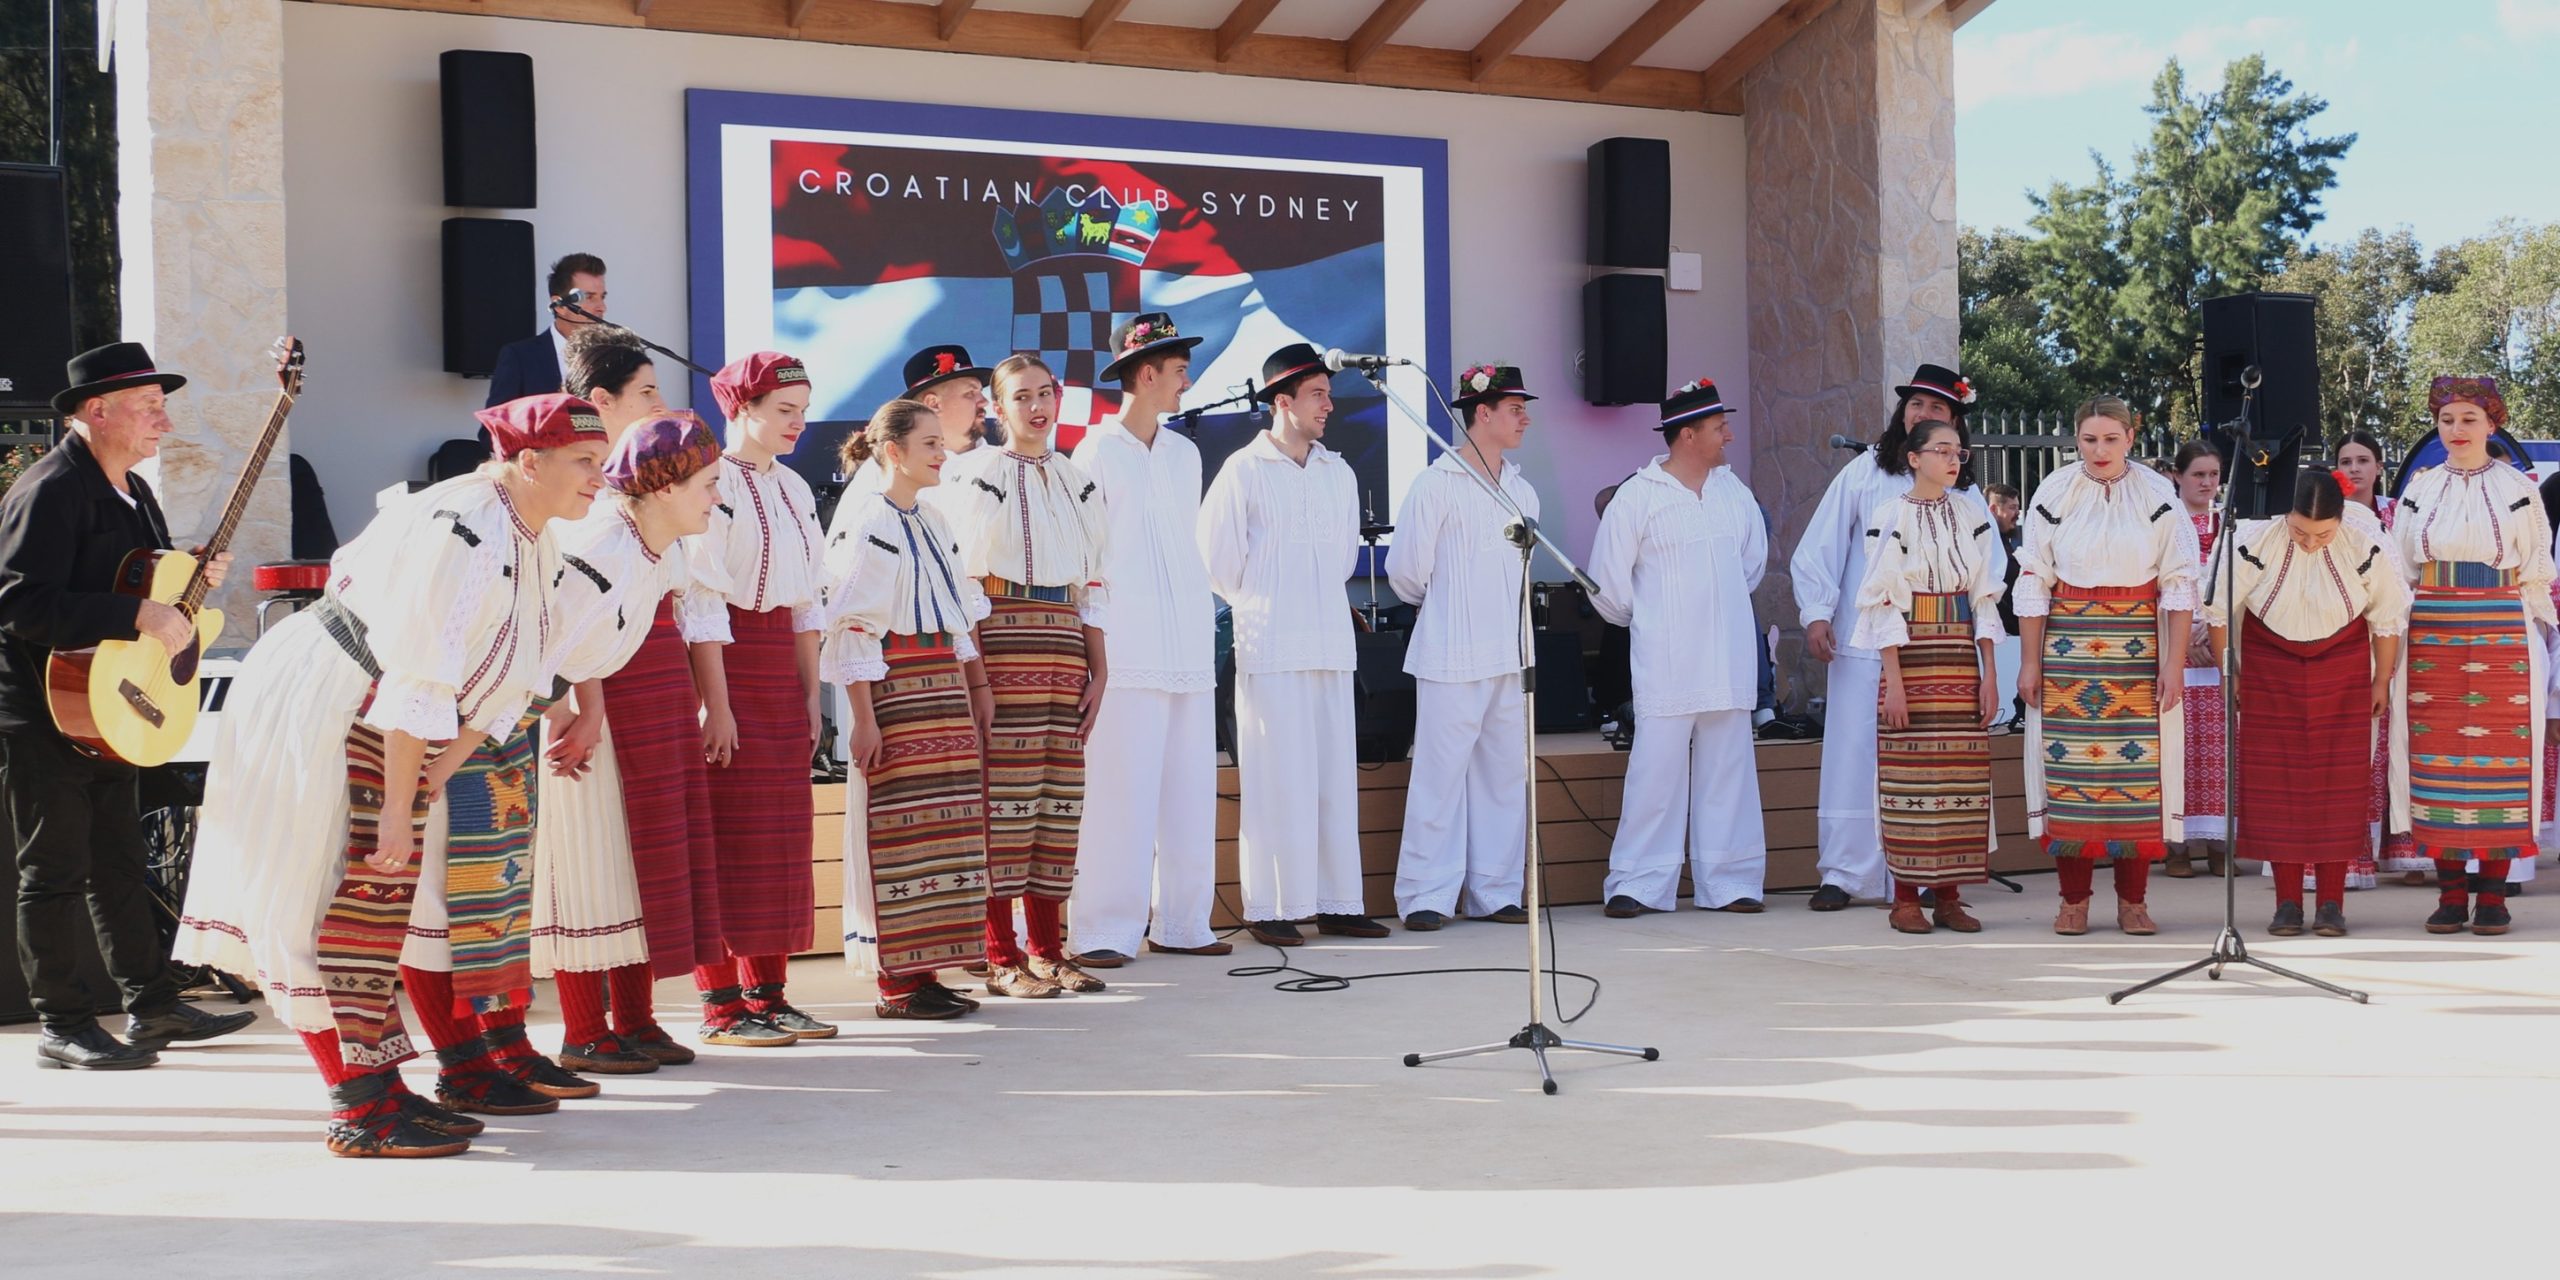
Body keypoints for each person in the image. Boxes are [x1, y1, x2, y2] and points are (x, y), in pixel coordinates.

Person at [174, 393, 607, 1156]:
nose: (599, 479)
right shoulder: (462, 528)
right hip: (336, 692)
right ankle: (357, 1106)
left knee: (380, 897)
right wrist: (403, 805)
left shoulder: (533, 532)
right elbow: (417, 676)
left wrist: (449, 764)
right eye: (584, 463)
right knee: (332, 892)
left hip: (392, 708)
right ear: (528, 462)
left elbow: (516, 674)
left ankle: (387, 1087)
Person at [0, 342, 256, 1070]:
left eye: (162, 409)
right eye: (149, 409)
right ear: (96, 412)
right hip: (47, 711)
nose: (163, 424)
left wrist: (191, 580)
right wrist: (136, 618)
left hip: (111, 707)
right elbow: (20, 604)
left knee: (120, 860)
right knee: (51, 871)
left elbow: (138, 583)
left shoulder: (134, 492)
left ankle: (151, 1006)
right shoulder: (51, 490)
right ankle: (63, 1024)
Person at [531, 416, 726, 1073]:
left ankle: (636, 1022)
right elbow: (554, 642)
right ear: (666, 487)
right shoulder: (603, 542)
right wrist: (580, 715)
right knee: (590, 859)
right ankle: (585, 1029)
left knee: (637, 865)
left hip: (647, 704)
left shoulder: (662, 544)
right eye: (708, 484)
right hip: (594, 711)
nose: (716, 498)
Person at [1789, 364, 2001, 912]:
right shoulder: (1863, 474)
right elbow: (1820, 547)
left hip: (1940, 650)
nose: (1922, 416)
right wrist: (1816, 613)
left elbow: (1988, 573)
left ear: (1954, 422)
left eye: (1936, 410)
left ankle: (1932, 873)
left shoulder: (1969, 495)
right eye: (1915, 406)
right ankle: (1845, 872)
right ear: (1901, 414)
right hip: (1864, 643)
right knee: (1854, 752)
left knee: (1932, 759)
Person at [1199, 343, 1383, 947]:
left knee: (1332, 775)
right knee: (1277, 778)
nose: (1329, 405)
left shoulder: (1340, 471)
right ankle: (1273, 906)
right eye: (1318, 395)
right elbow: (1219, 563)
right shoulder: (1243, 471)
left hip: (1329, 640)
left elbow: (1342, 559)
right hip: (1270, 639)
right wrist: (1267, 601)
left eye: (1329, 393)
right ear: (1283, 400)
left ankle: (1337, 901)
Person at [943, 355, 1112, 996]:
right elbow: (963, 585)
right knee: (1003, 803)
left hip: (1063, 642)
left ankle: (1048, 948)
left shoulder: (1078, 480)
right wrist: (976, 675)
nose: (1037, 407)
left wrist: (1100, 667)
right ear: (997, 405)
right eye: (1022, 397)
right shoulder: (976, 476)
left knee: (1056, 802)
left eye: (1045, 394)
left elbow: (1091, 582)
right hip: (1004, 637)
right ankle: (1000, 953)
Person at [822, 399, 995, 1020]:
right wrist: (864, 718)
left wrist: (975, 687)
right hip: (894, 686)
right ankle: (895, 980)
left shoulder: (930, 519)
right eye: (928, 444)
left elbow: (956, 612)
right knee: (896, 828)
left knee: (942, 827)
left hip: (940, 687)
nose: (941, 453)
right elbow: (848, 625)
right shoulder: (869, 521)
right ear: (892, 451)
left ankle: (924, 969)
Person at [1067, 315, 1228, 966]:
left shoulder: (1186, 454)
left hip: (1187, 644)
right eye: (1178, 367)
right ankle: (1104, 929)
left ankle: (1186, 922)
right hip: (1126, 646)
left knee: (1191, 789)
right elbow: (1088, 558)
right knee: (1119, 793)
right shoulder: (1095, 453)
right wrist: (1095, 648)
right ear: (1147, 373)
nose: (1186, 378)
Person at [686, 352, 831, 1042]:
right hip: (728, 663)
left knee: (780, 833)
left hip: (780, 672)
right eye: (784, 411)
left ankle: (769, 994)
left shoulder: (798, 489)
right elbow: (704, 599)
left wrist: (812, 696)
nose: (798, 424)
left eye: (803, 411)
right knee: (728, 833)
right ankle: (721, 1003)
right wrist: (715, 702)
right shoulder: (712, 483)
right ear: (741, 409)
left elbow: (807, 603)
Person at [2015, 396, 2199, 937]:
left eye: (2111, 439)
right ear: (2077, 440)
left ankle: (2133, 901)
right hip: (2067, 650)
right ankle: (2073, 900)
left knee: (2136, 777)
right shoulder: (2055, 491)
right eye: (2089, 440)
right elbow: (2034, 579)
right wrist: (2030, 662)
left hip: (2139, 647)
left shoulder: (2156, 492)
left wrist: (2174, 663)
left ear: (2131, 438)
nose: (2099, 450)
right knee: (2071, 775)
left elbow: (2179, 582)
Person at [1591, 378, 1770, 917]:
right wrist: (1656, 623)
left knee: (1729, 772)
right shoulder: (1638, 497)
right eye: (1720, 428)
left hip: (1728, 658)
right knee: (1656, 774)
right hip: (1666, 663)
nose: (1730, 436)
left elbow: (1751, 568)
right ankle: (1638, 883)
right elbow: (1609, 588)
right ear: (1687, 435)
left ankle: (1732, 880)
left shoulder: (1734, 494)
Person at [2202, 469, 2408, 938]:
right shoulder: (2253, 540)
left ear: (2340, 520)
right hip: (2269, 663)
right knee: (2278, 783)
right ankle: (2288, 903)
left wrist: (2382, 680)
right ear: (2285, 515)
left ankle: (2332, 904)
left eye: (2323, 533)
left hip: (2344, 664)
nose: (2311, 542)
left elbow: (2387, 618)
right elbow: (2219, 610)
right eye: (2300, 531)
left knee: (2340, 784)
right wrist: (2228, 670)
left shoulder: (2365, 544)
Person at [2390, 377, 2552, 936]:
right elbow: (2398, 569)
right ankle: (2451, 894)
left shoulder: (2518, 487)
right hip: (2431, 626)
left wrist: (2533, 633)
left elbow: (2537, 567)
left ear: (2492, 424)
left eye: (2468, 420)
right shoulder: (2420, 486)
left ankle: (2493, 896)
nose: (2456, 430)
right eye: (2447, 420)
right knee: (2434, 762)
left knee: (2504, 762)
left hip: (2503, 626)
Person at [1388, 362, 1539, 931]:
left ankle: (1496, 890)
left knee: (1504, 775)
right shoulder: (1437, 483)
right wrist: (1453, 610)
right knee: (1440, 777)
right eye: (1514, 408)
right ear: (1482, 413)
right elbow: (1407, 573)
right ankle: (1426, 894)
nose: (1524, 417)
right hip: (1451, 653)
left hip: (1508, 655)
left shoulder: (1523, 492)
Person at [1847, 415, 2004, 933]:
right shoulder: (1890, 515)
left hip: (1960, 657)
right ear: (1914, 458)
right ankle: (1905, 897)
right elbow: (1883, 600)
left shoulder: (1970, 515)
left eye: (1958, 451)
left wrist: (1989, 675)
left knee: (1960, 776)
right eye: (1941, 451)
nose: (1953, 460)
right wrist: (1891, 680)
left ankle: (1950, 894)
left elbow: (1983, 595)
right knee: (1907, 777)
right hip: (1910, 656)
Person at [2334, 430, 2425, 884]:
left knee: (2400, 739)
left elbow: (2412, 569)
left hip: (2397, 635)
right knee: (2357, 743)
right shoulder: (2325, 515)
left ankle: (2404, 848)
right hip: (2345, 635)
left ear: (2378, 467)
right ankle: (2352, 854)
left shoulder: (2397, 513)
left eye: (2363, 460)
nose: (2354, 469)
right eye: (2346, 461)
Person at [2165, 441, 2226, 878]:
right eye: (2198, 475)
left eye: (2213, 475)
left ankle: (2222, 841)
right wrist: (2184, 637)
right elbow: (2158, 584)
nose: (2206, 483)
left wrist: (2219, 631)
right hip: (2177, 646)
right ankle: (2178, 846)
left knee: (2220, 749)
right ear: (2178, 477)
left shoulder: (2232, 524)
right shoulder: (2165, 523)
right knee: (2181, 747)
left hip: (2220, 644)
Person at [486, 253, 607, 408]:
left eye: (602, 297)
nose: (602, 307)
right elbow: (492, 429)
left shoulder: (610, 357)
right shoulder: (520, 357)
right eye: (589, 297)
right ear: (560, 305)